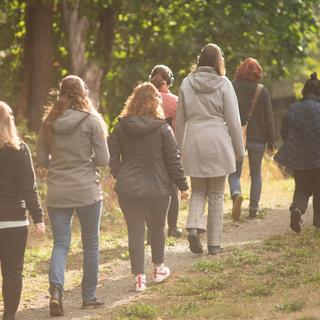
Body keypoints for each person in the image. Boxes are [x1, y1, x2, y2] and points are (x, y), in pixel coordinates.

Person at [36, 75, 109, 316]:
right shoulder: (92, 121)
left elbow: (40, 158)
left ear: (60, 94)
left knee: (61, 243)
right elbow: (104, 159)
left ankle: (56, 292)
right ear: (83, 93)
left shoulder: (50, 121)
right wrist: (86, 161)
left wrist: (56, 162)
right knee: (91, 244)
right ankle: (89, 297)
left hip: (58, 190)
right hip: (87, 189)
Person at [108, 82, 188, 292]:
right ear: (155, 102)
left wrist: (120, 174)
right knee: (157, 228)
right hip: (158, 189)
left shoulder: (121, 126)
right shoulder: (163, 128)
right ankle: (158, 269)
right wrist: (183, 185)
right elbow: (173, 160)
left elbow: (112, 154)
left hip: (129, 188)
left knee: (135, 231)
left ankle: (139, 279)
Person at [176, 43, 244, 255]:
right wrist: (239, 150)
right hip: (217, 141)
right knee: (215, 193)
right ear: (218, 62)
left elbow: (179, 120)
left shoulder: (187, 83)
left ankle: (194, 227)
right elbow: (233, 120)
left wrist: (178, 149)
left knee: (198, 190)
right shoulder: (224, 84)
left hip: (194, 141)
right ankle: (214, 244)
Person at [0, 101, 45, 320]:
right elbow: (29, 188)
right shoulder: (20, 149)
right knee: (13, 271)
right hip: (14, 221)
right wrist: (39, 218)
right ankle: (9, 315)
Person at [228, 58, 276, 220]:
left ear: (240, 70)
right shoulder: (262, 90)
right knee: (256, 174)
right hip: (258, 138)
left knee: (234, 172)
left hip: (236, 135)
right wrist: (272, 142)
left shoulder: (232, 87)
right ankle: (253, 209)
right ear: (258, 72)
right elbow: (269, 118)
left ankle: (236, 194)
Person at [274, 72, 320, 233]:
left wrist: (293, 146)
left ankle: (298, 210)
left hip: (299, 157)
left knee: (301, 188)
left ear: (304, 91)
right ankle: (318, 220)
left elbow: (284, 132)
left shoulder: (293, 109)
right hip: (318, 158)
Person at [149, 64, 182, 238]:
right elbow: (179, 129)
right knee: (172, 190)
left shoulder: (144, 101)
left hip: (148, 151)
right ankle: (173, 228)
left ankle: (152, 231)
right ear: (169, 81)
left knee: (149, 189)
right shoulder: (176, 101)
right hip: (170, 150)